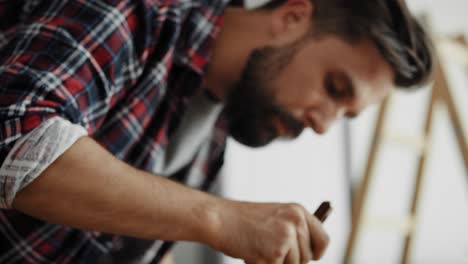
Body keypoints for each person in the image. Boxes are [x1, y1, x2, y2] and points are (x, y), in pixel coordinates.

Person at [0, 0, 432, 263]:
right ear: (293, 16)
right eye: (334, 88)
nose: (323, 124)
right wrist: (220, 218)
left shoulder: (215, 131)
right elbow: (15, 140)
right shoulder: (147, 12)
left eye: (346, 116)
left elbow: (126, 240)